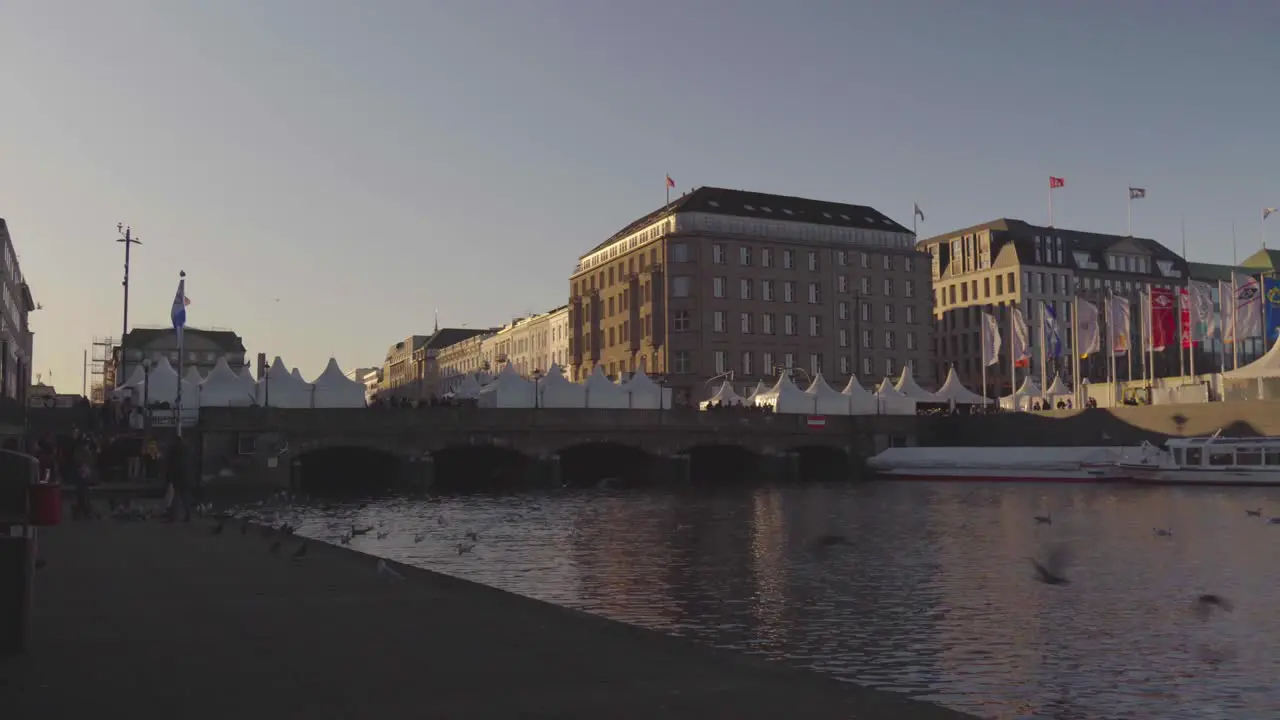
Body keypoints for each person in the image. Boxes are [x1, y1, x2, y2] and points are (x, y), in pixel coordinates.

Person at [164, 435, 193, 522]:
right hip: (188, 476)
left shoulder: (173, 451)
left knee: (176, 497)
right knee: (186, 496)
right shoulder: (188, 450)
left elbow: (170, 465)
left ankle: (173, 517)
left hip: (178, 476)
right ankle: (188, 515)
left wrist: (168, 477)